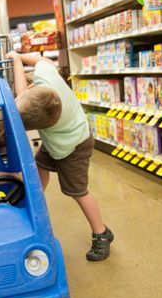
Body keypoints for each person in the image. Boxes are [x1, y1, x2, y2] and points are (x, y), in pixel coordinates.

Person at [6, 51, 114, 261]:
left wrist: (17, 63)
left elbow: (21, 94)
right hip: (57, 143)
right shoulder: (46, 77)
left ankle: (102, 233)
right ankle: (35, 206)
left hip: (75, 147)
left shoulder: (54, 121)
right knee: (40, 169)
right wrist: (19, 56)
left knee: (78, 192)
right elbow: (41, 60)